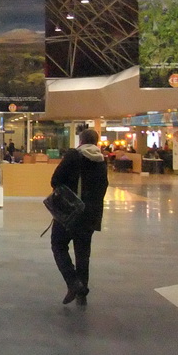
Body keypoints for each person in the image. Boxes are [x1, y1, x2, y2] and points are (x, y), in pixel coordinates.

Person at [49, 127, 109, 306]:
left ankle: (73, 282)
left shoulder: (74, 156)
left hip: (70, 212)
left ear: (81, 141)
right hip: (90, 215)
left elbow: (55, 180)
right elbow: (103, 186)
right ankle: (82, 293)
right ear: (96, 142)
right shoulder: (101, 160)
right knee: (83, 253)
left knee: (58, 245)